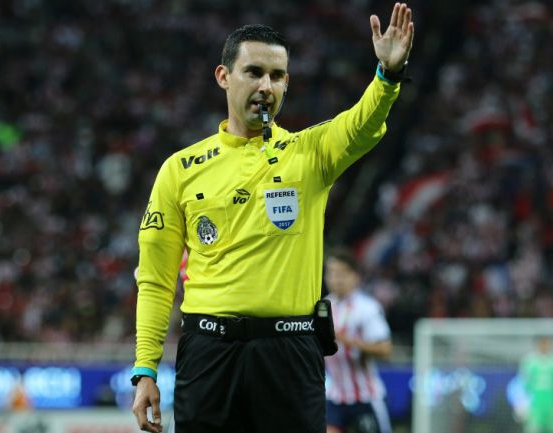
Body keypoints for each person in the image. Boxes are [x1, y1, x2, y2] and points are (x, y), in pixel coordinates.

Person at [130, 3, 415, 433]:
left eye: (277, 76)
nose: (266, 85)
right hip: (209, 353)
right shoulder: (180, 169)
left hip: (290, 351)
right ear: (224, 77)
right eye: (254, 72)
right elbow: (155, 278)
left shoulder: (310, 153)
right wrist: (145, 368)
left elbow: (361, 125)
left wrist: (387, 76)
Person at [324, 248, 393, 433]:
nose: (336, 279)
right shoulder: (324, 307)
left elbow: (385, 350)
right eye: (331, 273)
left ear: (355, 276)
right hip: (335, 397)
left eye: (342, 273)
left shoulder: (367, 308)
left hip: (365, 397)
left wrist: (347, 341)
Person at [517, 336, 553, 433]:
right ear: (537, 345)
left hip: (552, 401)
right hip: (535, 401)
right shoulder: (529, 361)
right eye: (542, 343)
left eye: (547, 343)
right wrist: (523, 400)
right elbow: (524, 381)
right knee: (533, 428)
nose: (544, 346)